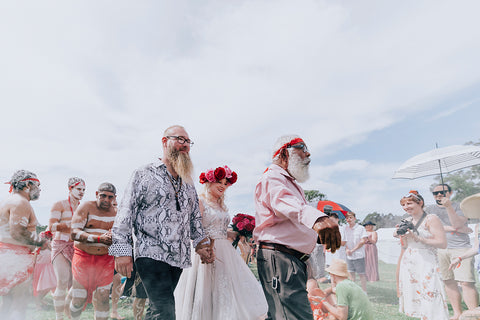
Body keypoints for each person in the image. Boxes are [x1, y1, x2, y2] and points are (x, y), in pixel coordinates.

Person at [109, 125, 213, 320]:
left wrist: (202, 244)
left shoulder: (188, 182)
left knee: (157, 309)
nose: (185, 145)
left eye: (188, 142)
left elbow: (194, 218)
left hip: (179, 258)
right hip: (150, 253)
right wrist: (122, 252)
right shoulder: (143, 174)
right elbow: (125, 213)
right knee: (165, 310)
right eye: (180, 139)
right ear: (165, 141)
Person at [254, 134, 342, 320]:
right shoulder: (272, 177)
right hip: (281, 258)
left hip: (290, 259)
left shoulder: (290, 182)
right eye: (302, 147)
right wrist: (317, 220)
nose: (308, 153)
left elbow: (291, 221)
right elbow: (284, 203)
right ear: (284, 153)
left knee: (281, 315)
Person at [175, 165, 268, 319]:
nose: (223, 186)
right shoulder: (200, 201)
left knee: (227, 289)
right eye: (220, 182)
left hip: (225, 251)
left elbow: (222, 231)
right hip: (205, 248)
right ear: (209, 182)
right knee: (205, 289)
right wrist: (204, 245)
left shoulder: (221, 205)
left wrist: (238, 232)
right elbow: (193, 228)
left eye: (226, 183)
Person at [425, 183, 478, 319]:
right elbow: (427, 227)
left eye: (442, 192)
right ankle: (457, 313)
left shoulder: (460, 206)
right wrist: (453, 229)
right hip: (441, 249)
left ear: (450, 192)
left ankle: (474, 313)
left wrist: (448, 208)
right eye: (435, 193)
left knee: (466, 282)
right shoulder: (430, 209)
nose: (439, 195)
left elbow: (457, 224)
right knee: (448, 281)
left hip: (461, 248)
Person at [0, 170, 48, 320]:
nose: (40, 189)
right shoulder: (20, 202)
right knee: (18, 304)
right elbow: (18, 232)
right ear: (28, 184)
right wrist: (43, 242)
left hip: (10, 256)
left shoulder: (14, 201)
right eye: (38, 185)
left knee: (9, 303)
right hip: (15, 258)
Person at [396, 190, 448, 320]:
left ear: (420, 203)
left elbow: (442, 243)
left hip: (427, 261)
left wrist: (420, 238)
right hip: (409, 260)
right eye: (403, 204)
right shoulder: (407, 220)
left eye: (409, 203)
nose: (406, 207)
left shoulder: (431, 218)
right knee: (415, 296)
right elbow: (404, 245)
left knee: (431, 292)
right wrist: (401, 235)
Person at [69, 182, 118, 320]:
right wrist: (98, 239)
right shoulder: (86, 207)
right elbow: (74, 233)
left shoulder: (117, 214)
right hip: (83, 257)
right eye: (103, 196)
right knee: (78, 299)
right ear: (97, 194)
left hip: (105, 260)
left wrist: (114, 240)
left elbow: (122, 238)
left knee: (103, 298)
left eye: (110, 197)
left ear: (114, 197)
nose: (106, 200)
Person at [49, 177, 86, 320]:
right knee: (62, 282)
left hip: (77, 246)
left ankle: (70, 314)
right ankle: (59, 317)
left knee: (76, 284)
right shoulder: (59, 204)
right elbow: (52, 226)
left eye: (83, 190)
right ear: (70, 189)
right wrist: (72, 226)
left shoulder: (83, 207)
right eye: (79, 189)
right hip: (60, 244)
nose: (82, 192)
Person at [344, 212, 367, 292]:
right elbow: (345, 241)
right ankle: (353, 292)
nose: (348, 219)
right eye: (347, 218)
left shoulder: (361, 228)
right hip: (349, 256)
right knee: (351, 274)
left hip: (359, 255)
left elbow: (363, 241)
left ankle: (364, 292)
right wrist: (347, 249)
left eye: (350, 217)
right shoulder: (345, 228)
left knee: (361, 274)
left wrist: (352, 250)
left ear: (355, 218)